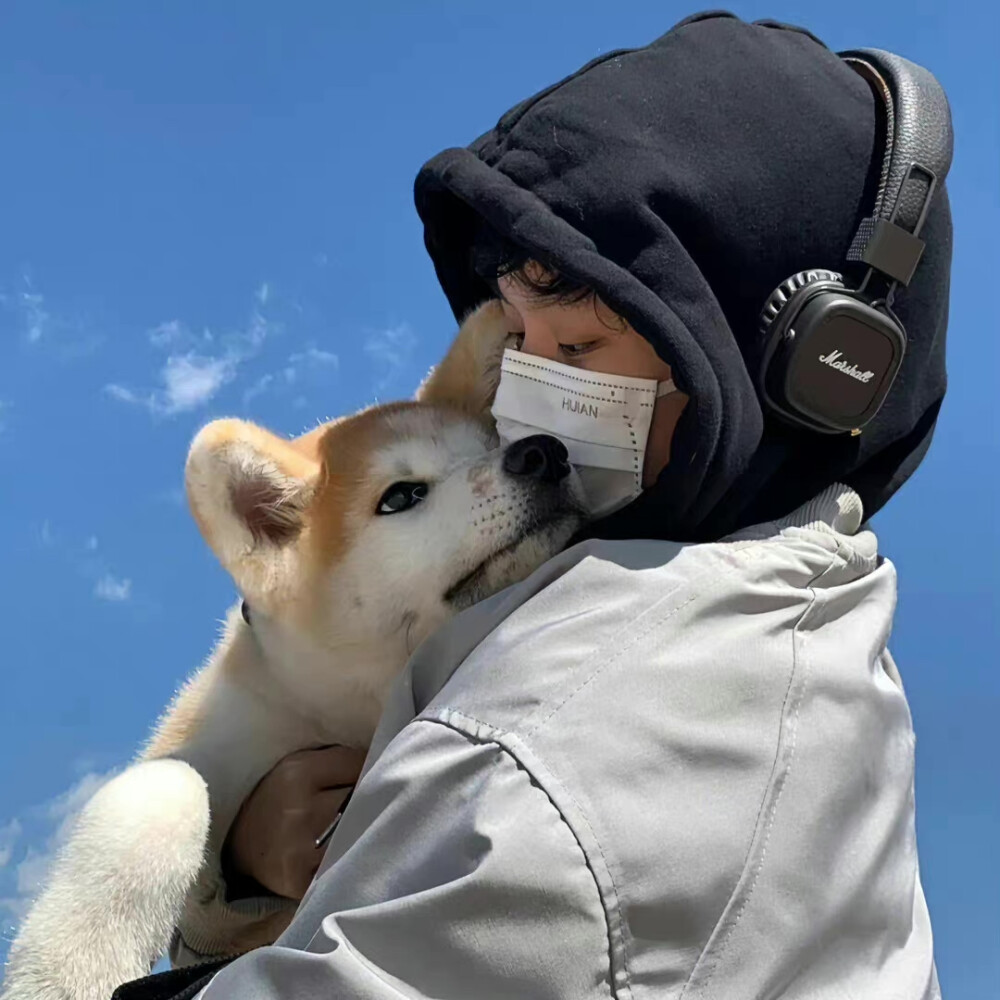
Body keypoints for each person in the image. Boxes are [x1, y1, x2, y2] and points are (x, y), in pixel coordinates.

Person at [141, 12, 951, 999]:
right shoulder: (752, 612)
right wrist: (242, 856)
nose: (521, 401)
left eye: (575, 351)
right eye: (516, 342)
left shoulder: (597, 726)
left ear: (822, 368)